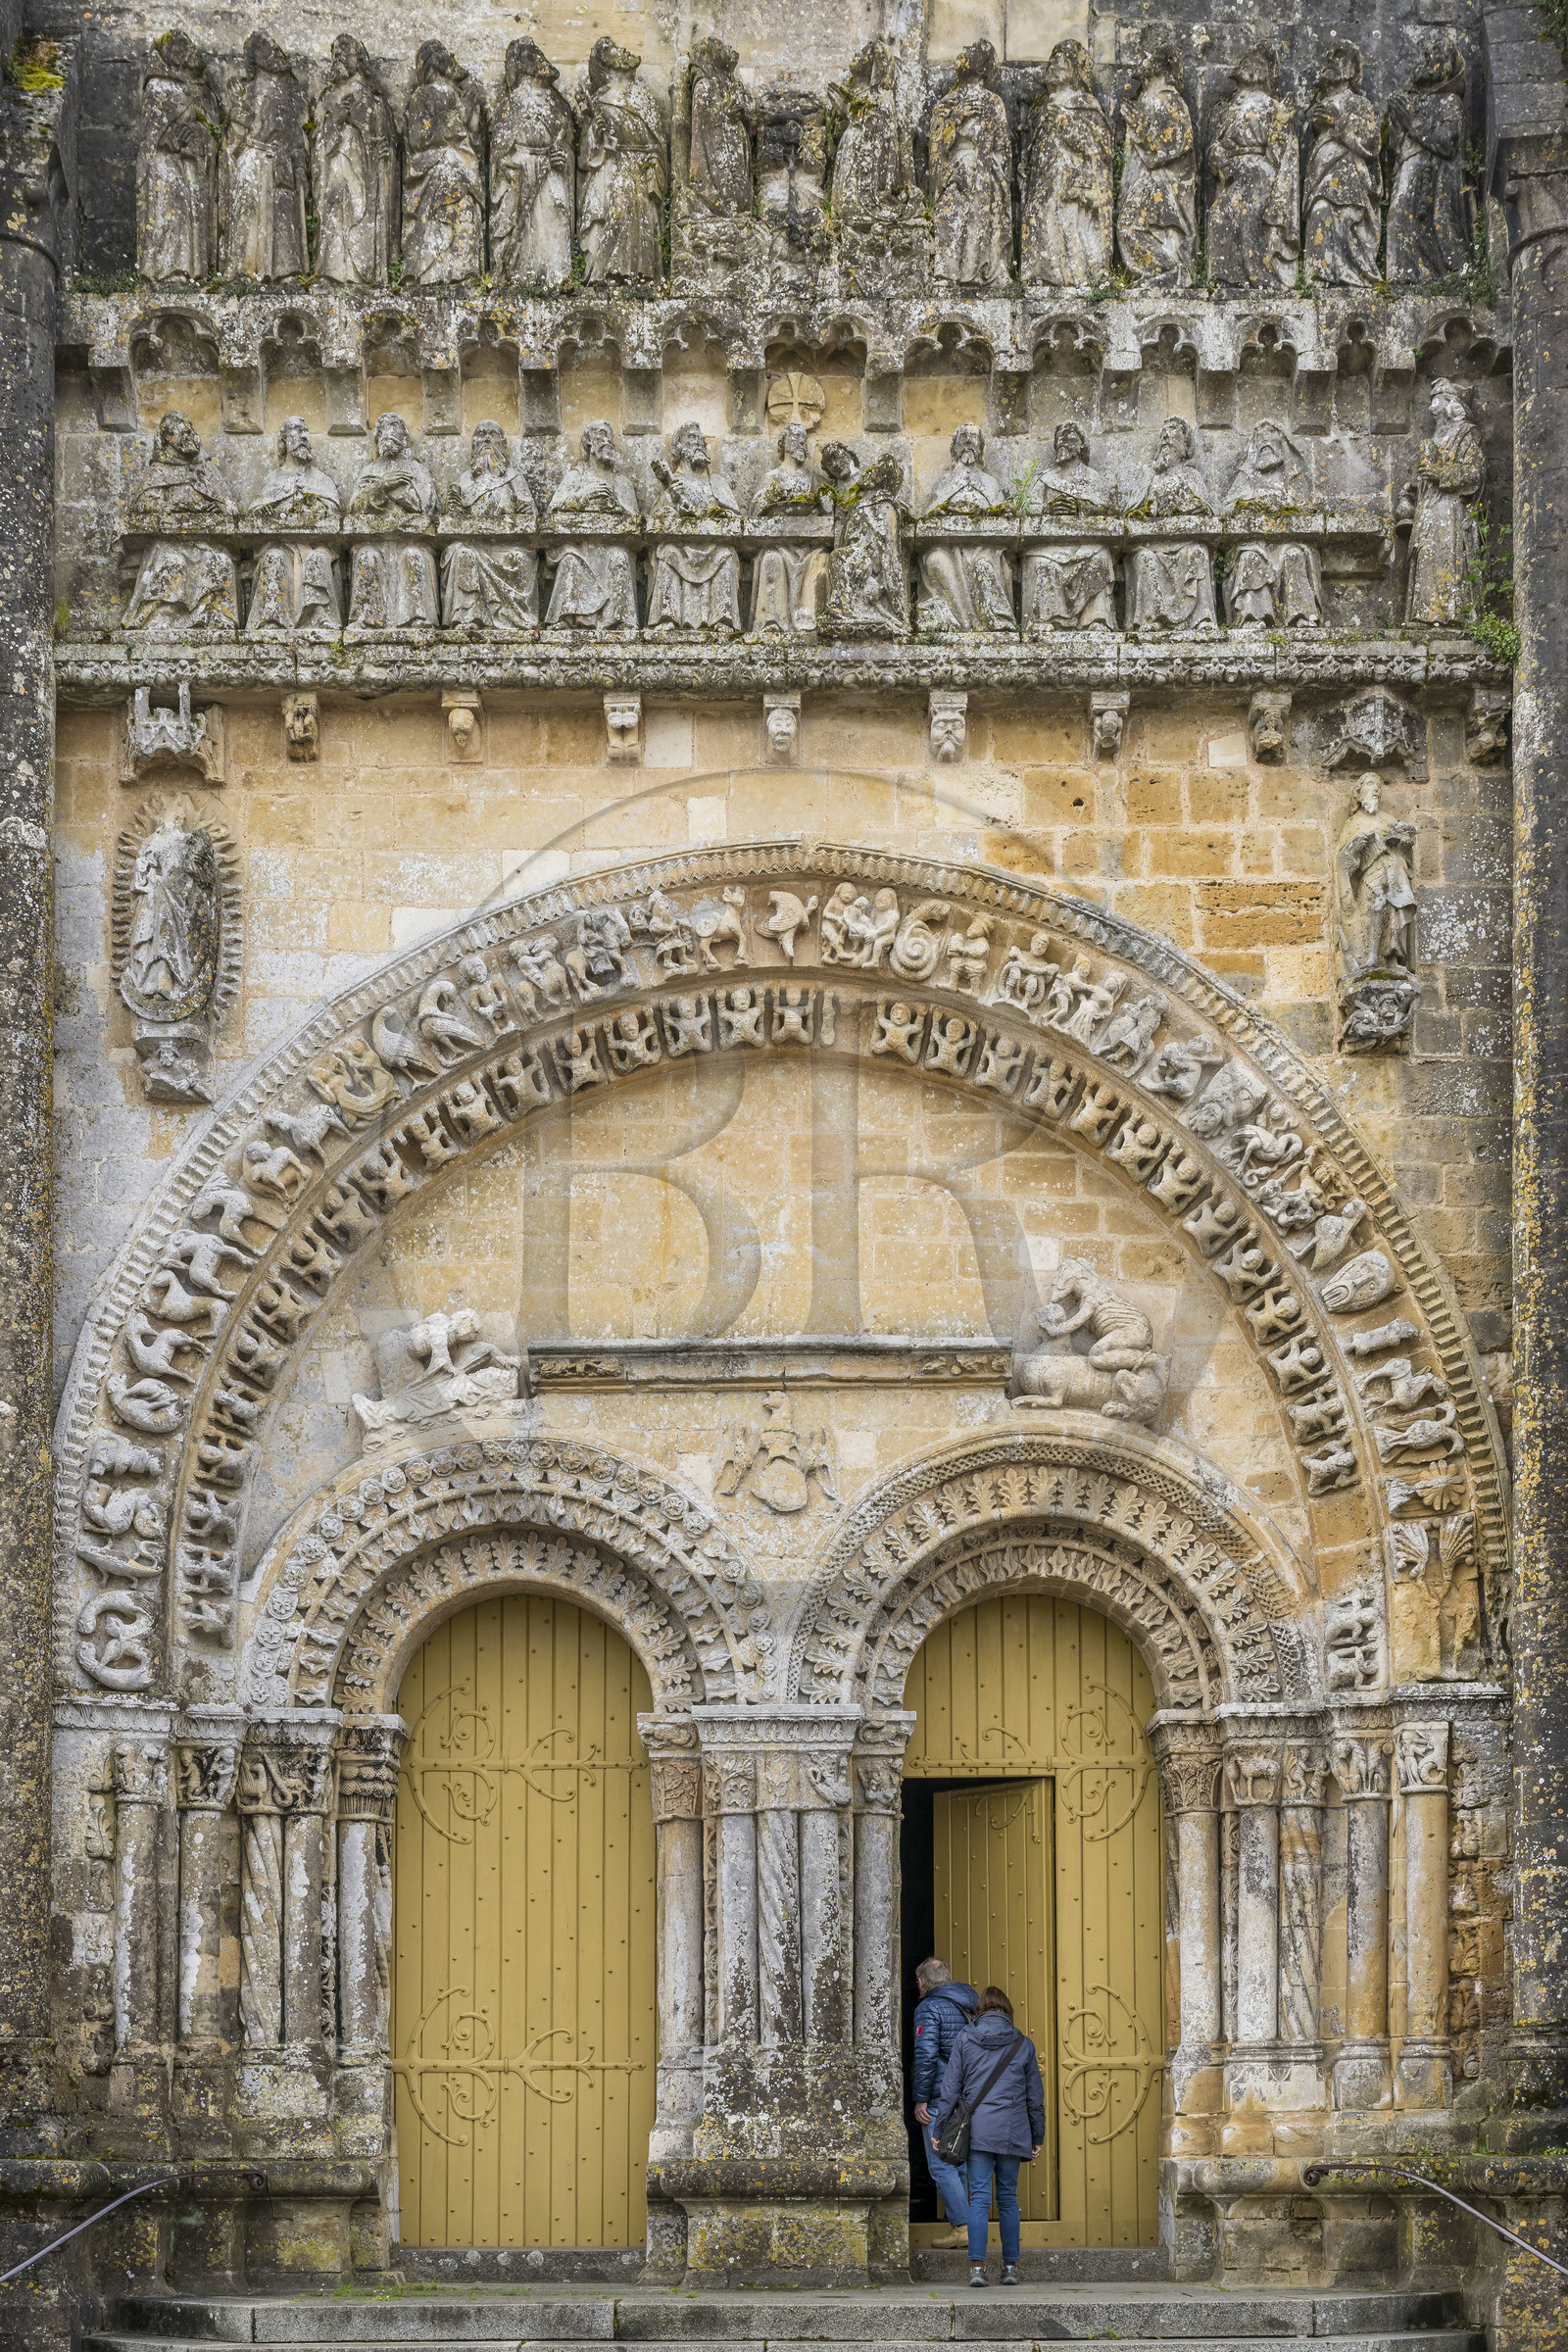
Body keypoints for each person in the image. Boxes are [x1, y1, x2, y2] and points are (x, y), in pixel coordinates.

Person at [932, 1984, 1045, 2287]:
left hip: (978, 2131)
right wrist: (1038, 2136)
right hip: (1014, 2130)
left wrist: (939, 2128)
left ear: (979, 2010)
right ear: (1008, 2011)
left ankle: (978, 2269)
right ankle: (1009, 2268)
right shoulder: (1023, 2044)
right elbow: (1034, 2097)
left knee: (979, 2200)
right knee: (1008, 2199)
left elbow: (950, 2088)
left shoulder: (965, 2039)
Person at [909, 1958, 977, 2248]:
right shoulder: (970, 2006)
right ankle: (963, 2229)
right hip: (967, 2095)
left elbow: (926, 2057)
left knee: (940, 2165)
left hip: (939, 2096)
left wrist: (921, 2098)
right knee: (957, 2162)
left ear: (923, 1983)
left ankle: (962, 2227)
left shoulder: (928, 2007)